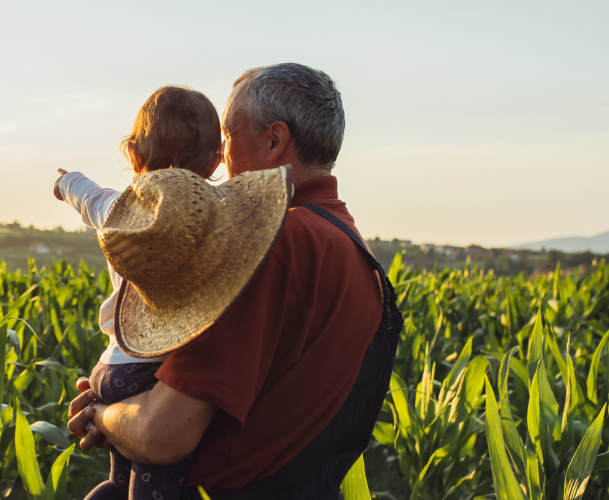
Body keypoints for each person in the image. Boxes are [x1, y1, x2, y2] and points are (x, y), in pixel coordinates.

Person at [66, 63, 403, 499]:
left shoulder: (271, 246)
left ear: (275, 141)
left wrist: (102, 412)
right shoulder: (355, 250)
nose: (220, 158)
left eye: (227, 136)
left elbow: (162, 435)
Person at [54, 85, 222, 500]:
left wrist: (65, 182)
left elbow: (85, 194)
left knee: (118, 481)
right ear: (218, 161)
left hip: (112, 368)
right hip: (154, 374)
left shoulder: (116, 210)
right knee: (152, 488)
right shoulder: (214, 226)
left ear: (134, 155)